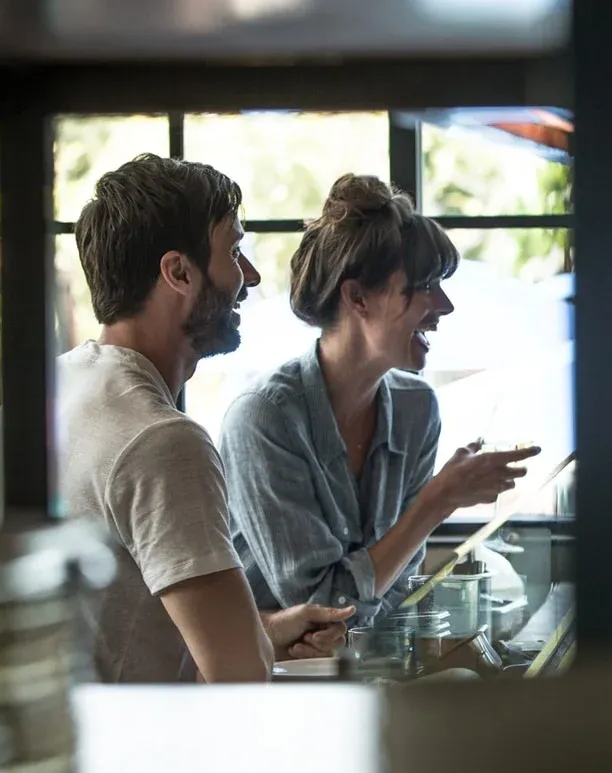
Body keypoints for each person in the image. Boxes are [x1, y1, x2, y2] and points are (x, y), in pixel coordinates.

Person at [0, 154, 353, 683]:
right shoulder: (163, 440)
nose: (249, 276)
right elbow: (240, 681)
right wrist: (251, 648)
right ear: (178, 272)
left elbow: (115, 625)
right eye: (234, 250)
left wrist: (263, 629)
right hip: (138, 757)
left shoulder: (37, 401)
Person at [218, 174, 537, 628]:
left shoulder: (417, 409)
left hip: (358, 668)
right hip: (269, 680)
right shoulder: (264, 418)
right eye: (424, 284)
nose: (444, 305)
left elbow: (393, 586)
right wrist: (437, 500)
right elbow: (323, 604)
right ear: (357, 298)